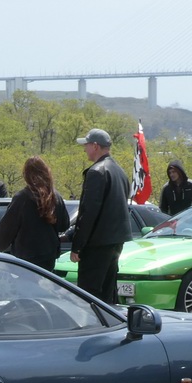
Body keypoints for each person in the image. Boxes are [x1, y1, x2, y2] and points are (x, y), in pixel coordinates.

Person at [70, 128, 131, 304]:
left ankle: (94, 330)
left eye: (86, 145)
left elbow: (89, 213)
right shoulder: (119, 171)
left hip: (96, 245)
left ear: (95, 146)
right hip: (114, 243)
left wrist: (77, 245)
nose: (84, 149)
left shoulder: (96, 172)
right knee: (108, 295)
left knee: (90, 297)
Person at [0, 156, 71, 271]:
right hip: (49, 257)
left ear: (26, 175)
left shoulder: (22, 198)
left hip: (26, 259)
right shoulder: (55, 197)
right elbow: (64, 225)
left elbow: (6, 229)